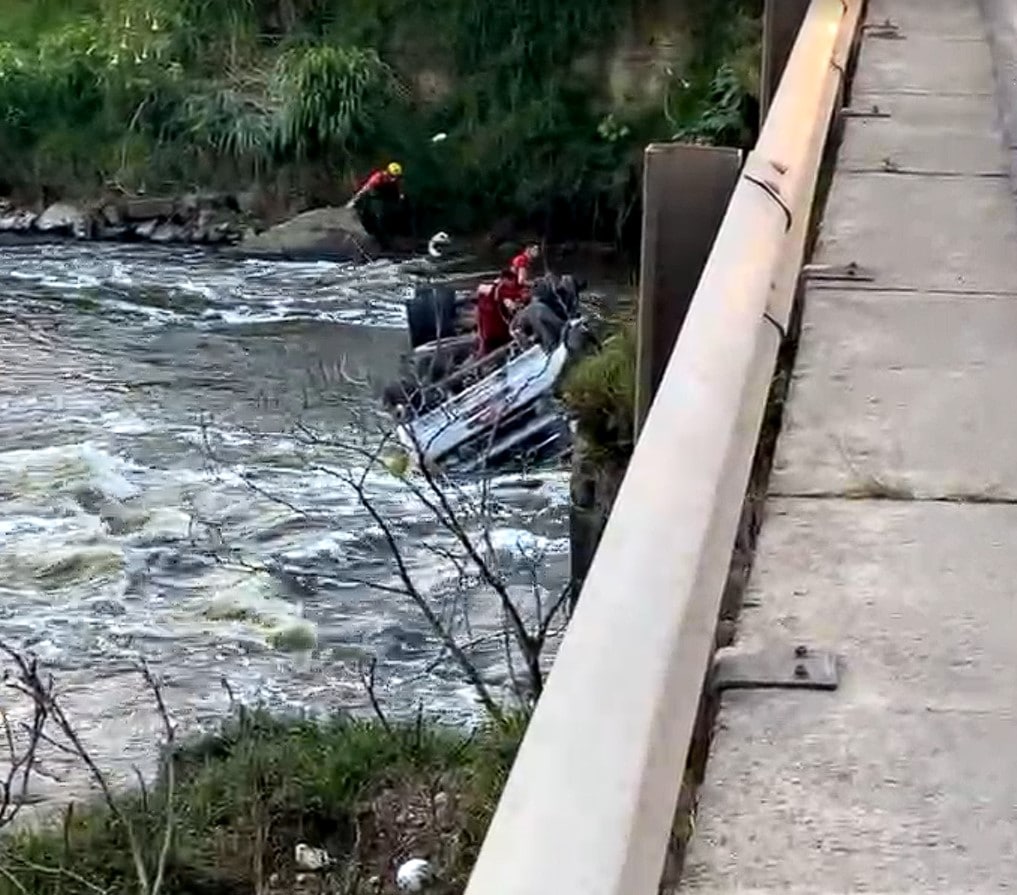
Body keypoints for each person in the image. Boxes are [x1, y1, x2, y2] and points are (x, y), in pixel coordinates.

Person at [346, 161, 404, 247]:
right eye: (392, 176)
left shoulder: (396, 181)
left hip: (387, 197)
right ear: (387, 172)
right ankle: (378, 238)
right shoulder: (378, 177)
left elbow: (399, 189)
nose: (394, 179)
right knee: (378, 216)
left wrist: (400, 196)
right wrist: (354, 201)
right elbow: (365, 189)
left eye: (396, 177)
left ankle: (394, 235)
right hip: (375, 196)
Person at [475, 269, 528, 356]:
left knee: (486, 346)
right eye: (512, 281)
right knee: (495, 347)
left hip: (486, 327)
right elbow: (510, 299)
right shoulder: (500, 290)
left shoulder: (488, 288)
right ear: (506, 279)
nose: (513, 284)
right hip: (496, 329)